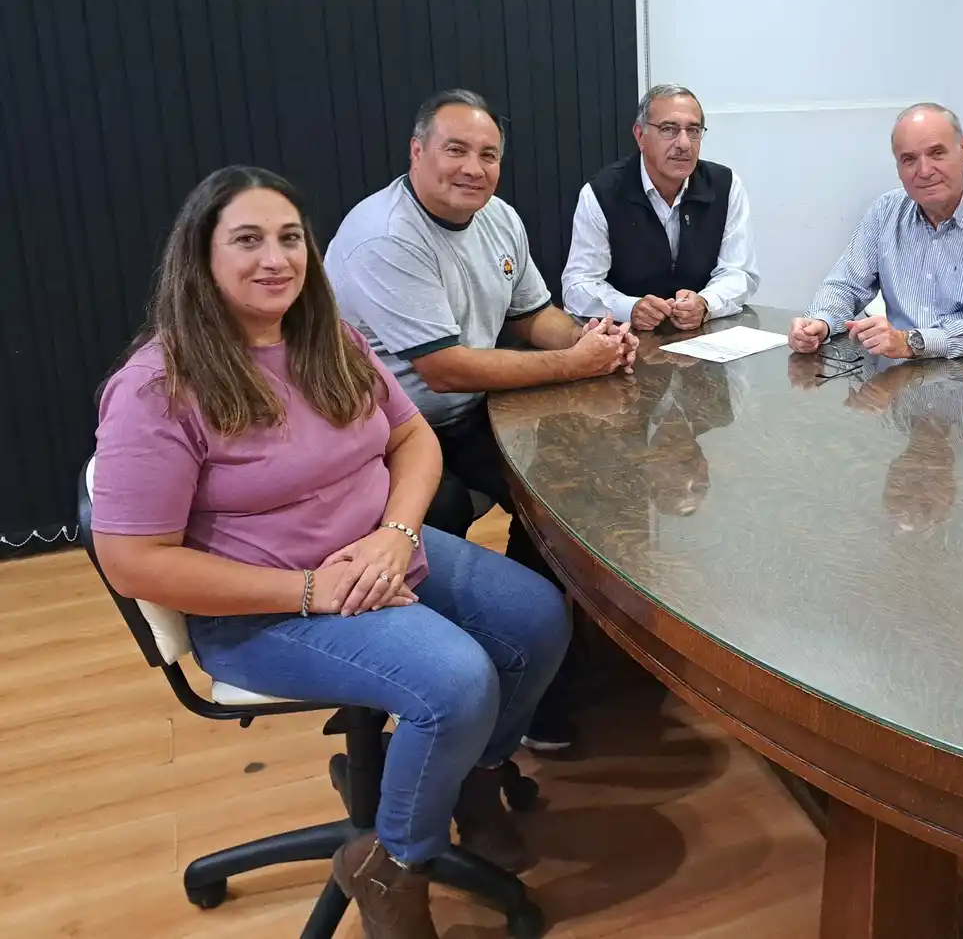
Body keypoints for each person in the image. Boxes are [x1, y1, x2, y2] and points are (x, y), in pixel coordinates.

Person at [90, 167, 570, 939]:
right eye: (246, 239)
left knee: (538, 617)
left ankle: (467, 781)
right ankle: (394, 862)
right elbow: (134, 561)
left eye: (289, 238)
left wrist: (397, 533)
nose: (274, 258)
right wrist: (310, 589)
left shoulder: (326, 335)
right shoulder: (159, 386)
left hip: (376, 551)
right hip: (263, 604)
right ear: (200, 257)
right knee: (454, 680)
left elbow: (413, 435)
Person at [326, 89, 636, 752]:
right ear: (417, 152)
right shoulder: (385, 236)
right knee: (434, 518)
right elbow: (446, 367)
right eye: (455, 150)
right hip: (379, 438)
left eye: (488, 154)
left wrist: (594, 339)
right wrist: (576, 365)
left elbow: (533, 318)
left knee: (570, 488)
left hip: (465, 415)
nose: (473, 167)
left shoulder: (499, 218)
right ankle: (432, 688)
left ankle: (534, 676)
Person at [788, 102, 963, 360]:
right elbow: (847, 285)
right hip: (903, 375)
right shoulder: (885, 211)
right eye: (909, 159)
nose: (925, 171)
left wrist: (912, 342)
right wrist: (820, 322)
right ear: (898, 168)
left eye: (937, 153)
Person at [561, 83, 759, 332]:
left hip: (704, 337)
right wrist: (629, 307)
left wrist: (706, 304)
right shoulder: (602, 193)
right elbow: (577, 285)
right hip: (626, 337)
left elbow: (739, 272)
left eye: (694, 130)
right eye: (669, 129)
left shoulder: (726, 186)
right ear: (640, 135)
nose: (684, 143)